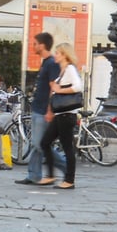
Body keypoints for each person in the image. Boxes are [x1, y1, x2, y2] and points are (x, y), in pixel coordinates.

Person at [16, 32, 65, 185]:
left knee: (39, 144)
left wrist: (50, 110)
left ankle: (66, 166)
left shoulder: (51, 63)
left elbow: (54, 88)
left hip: (44, 109)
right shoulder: (46, 62)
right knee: (37, 144)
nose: (33, 46)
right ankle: (34, 174)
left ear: (42, 45)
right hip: (39, 108)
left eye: (35, 44)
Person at [39, 43, 83, 189]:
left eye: (58, 53)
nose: (55, 55)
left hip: (66, 115)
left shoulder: (70, 69)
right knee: (45, 142)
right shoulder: (62, 71)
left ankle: (69, 180)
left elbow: (78, 87)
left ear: (65, 55)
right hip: (60, 115)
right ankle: (51, 175)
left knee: (67, 147)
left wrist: (59, 90)